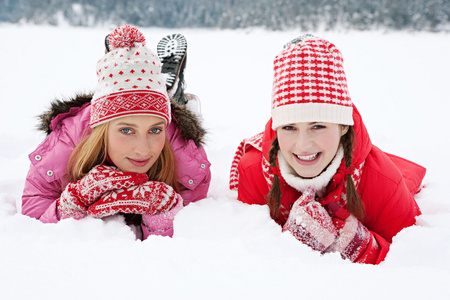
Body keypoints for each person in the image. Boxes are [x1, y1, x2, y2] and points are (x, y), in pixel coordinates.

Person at [229, 35, 426, 264]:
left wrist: (361, 248)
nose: (303, 145)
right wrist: (290, 241)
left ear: (343, 126)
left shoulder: (383, 182)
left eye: (318, 126)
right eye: (289, 127)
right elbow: (246, 255)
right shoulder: (254, 170)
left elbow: (414, 260)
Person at [21, 25, 211, 240]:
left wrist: (162, 215)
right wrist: (70, 206)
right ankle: (134, 74)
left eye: (155, 130)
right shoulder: (63, 146)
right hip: (103, 113)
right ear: (101, 129)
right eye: (127, 130)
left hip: (155, 110)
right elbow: (31, 221)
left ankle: (163, 89)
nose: (143, 149)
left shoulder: (185, 159)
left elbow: (184, 247)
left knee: (175, 108)